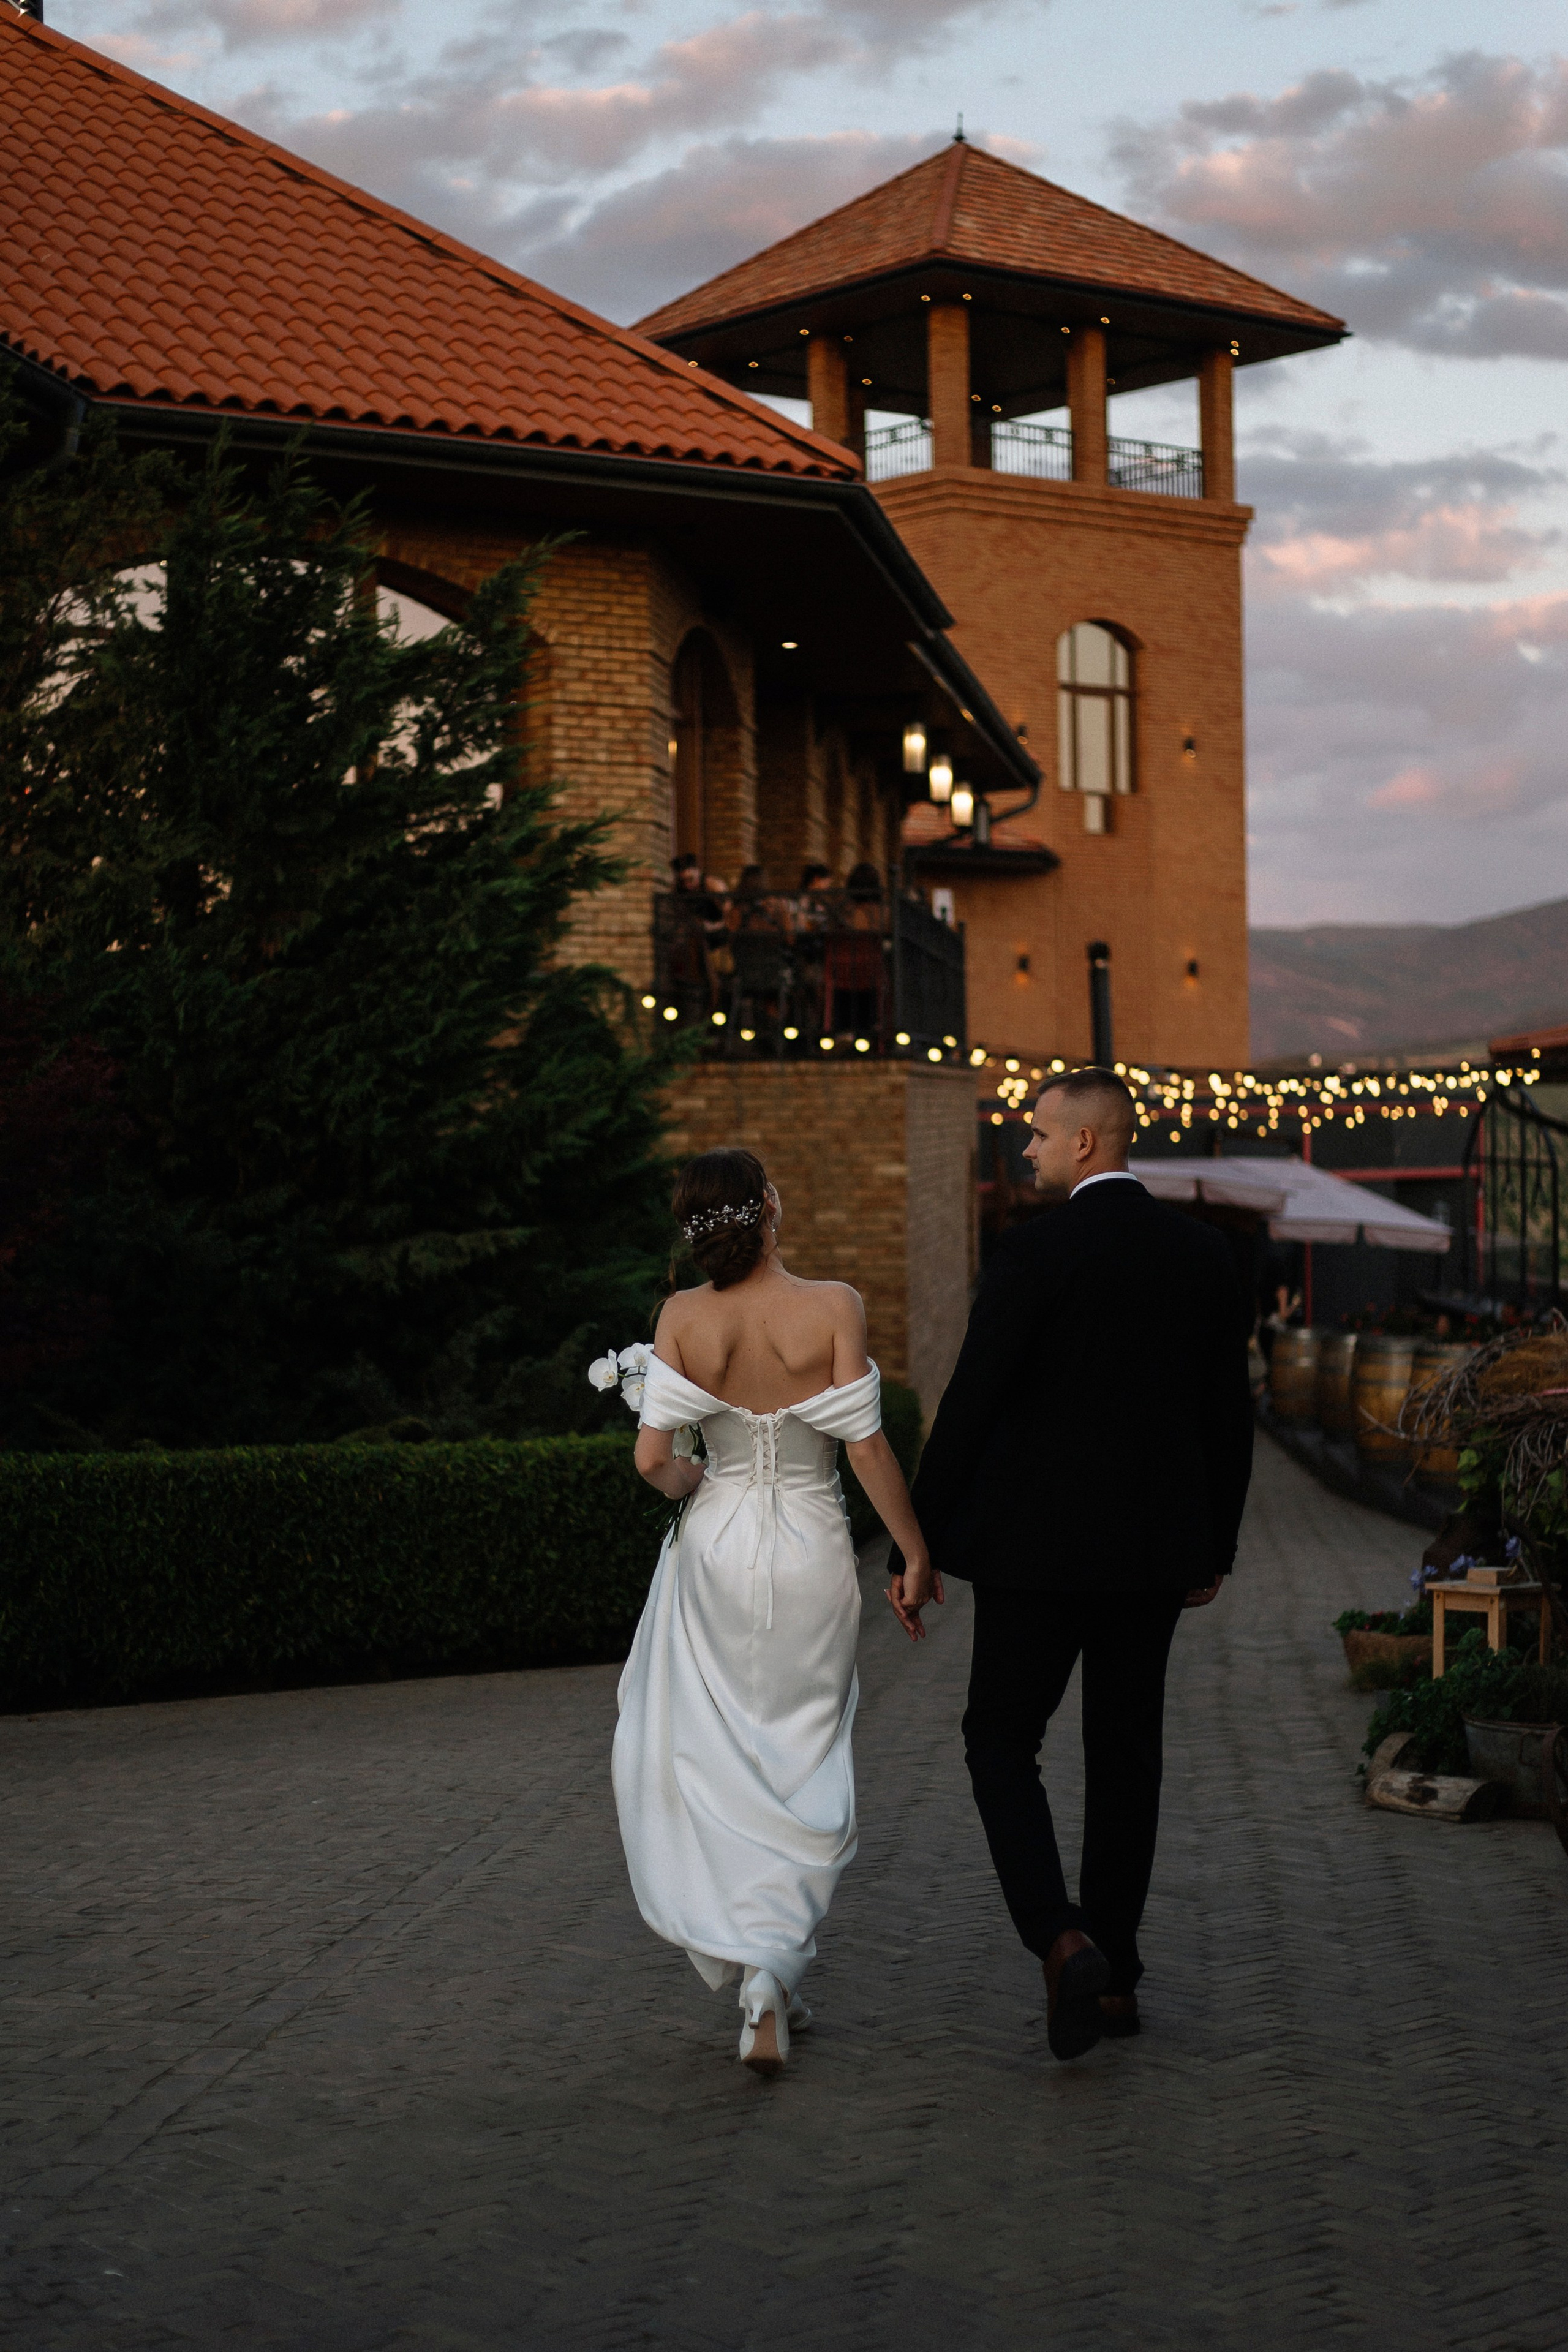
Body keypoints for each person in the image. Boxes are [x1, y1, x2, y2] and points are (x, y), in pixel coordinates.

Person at [888, 1066, 1253, 2061]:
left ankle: (1062, 1936)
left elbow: (971, 1404)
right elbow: (1232, 1411)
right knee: (1126, 1755)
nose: (1028, 1151)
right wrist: (1214, 1542)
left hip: (1033, 1557)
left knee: (1000, 1740)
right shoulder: (1203, 1255)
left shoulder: (1032, 1253)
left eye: (1041, 1135)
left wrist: (914, 1543)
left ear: (1087, 1143)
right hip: (1152, 1558)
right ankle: (1117, 1981)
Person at [614, 1147, 933, 2076]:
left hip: (714, 1547)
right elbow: (867, 1453)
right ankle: (772, 1975)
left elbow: (650, 1462)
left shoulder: (681, 1317)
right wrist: (914, 1551)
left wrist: (698, 1482)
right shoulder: (834, 1306)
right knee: (804, 1749)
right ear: (769, 1209)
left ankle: (765, 1977)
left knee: (727, 1754)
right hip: (809, 1544)